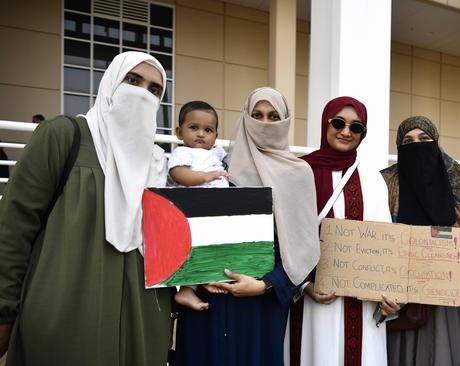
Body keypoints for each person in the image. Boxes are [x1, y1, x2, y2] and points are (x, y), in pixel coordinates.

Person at [0, 51, 174, 365]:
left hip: (143, 319)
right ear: (110, 83)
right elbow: (14, 229)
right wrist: (3, 309)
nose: (142, 94)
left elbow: (169, 242)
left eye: (154, 90)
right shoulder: (63, 136)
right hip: (66, 312)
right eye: (132, 81)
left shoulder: (157, 163)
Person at [173, 87, 320, 366]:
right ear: (245, 117)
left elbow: (302, 249)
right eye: (257, 115)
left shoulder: (299, 174)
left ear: (285, 121)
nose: (264, 122)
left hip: (260, 310)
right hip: (210, 302)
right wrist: (197, 275)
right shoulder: (217, 167)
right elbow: (188, 225)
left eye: (273, 116)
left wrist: (265, 285)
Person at [289, 96, 400, 366]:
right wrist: (305, 286)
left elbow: (385, 245)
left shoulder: (373, 180)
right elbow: (286, 238)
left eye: (356, 127)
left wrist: (390, 300)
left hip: (361, 308)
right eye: (338, 123)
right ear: (325, 124)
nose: (346, 132)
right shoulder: (299, 173)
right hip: (313, 304)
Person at [379, 116, 460, 366]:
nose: (416, 145)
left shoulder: (456, 180)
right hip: (397, 297)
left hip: (447, 296)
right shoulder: (385, 183)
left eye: (424, 139)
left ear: (435, 142)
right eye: (408, 141)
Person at [168, 100, 229, 311]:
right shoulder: (184, 152)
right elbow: (179, 174)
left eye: (208, 130)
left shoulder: (216, 153)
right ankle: (187, 288)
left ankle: (205, 278)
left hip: (215, 211)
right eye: (194, 128)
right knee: (193, 247)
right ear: (179, 131)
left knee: (213, 247)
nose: (201, 134)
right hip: (193, 211)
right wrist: (204, 177)